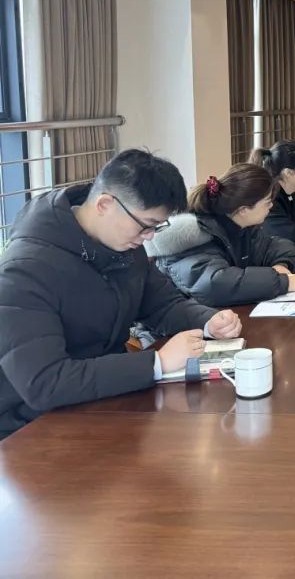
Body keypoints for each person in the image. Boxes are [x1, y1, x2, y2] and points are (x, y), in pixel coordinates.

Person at [0, 149, 242, 440]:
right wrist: (157, 363)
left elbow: (162, 304)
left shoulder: (125, 246)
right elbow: (45, 383)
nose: (149, 237)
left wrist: (209, 322)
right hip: (32, 429)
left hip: (107, 401)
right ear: (105, 204)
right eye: (146, 225)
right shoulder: (24, 272)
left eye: (156, 227)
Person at [146, 164, 295, 307]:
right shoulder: (193, 236)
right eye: (267, 202)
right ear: (244, 209)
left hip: (215, 319)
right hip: (173, 330)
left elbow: (280, 246)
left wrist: (281, 266)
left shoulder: (240, 226)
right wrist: (285, 283)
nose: (271, 207)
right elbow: (214, 284)